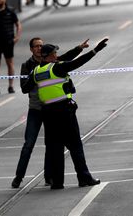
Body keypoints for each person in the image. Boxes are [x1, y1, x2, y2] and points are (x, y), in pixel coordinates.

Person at [22, 39, 109, 189]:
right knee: (75, 145)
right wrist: (96, 50)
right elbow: (78, 62)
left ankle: (57, 182)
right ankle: (84, 178)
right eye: (54, 53)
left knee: (54, 148)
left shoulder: (36, 72)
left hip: (48, 114)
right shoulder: (57, 68)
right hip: (64, 112)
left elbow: (25, 88)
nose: (56, 56)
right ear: (48, 56)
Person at [11, 37, 90, 188]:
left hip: (49, 109)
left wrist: (80, 48)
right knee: (29, 143)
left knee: (52, 145)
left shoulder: (52, 62)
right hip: (36, 108)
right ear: (31, 49)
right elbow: (24, 87)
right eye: (36, 46)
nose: (39, 48)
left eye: (41, 46)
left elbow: (68, 58)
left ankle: (50, 177)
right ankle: (18, 177)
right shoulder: (28, 66)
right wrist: (36, 79)